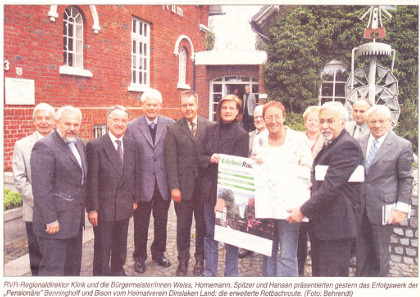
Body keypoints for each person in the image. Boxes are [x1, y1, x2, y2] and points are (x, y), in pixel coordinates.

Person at [287, 101, 364, 277]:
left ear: (343, 122)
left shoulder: (346, 145)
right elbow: (327, 180)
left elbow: (331, 188)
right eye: (322, 121)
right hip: (324, 225)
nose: (324, 126)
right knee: (320, 276)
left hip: (336, 227)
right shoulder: (332, 142)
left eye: (330, 121)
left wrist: (302, 211)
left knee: (331, 279)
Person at [253, 101, 312, 276]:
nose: (273, 121)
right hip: (266, 203)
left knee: (287, 252)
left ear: (284, 117)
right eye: (269, 117)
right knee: (267, 250)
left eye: (277, 116)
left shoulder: (299, 138)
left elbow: (308, 165)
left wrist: (306, 182)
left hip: (289, 204)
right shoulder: (260, 139)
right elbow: (256, 162)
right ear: (263, 119)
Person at [356, 105, 413, 277]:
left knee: (380, 257)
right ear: (367, 122)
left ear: (390, 121)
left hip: (384, 208)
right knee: (361, 256)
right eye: (373, 121)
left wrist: (401, 209)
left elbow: (405, 178)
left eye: (381, 121)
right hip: (359, 207)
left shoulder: (402, 145)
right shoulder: (359, 141)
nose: (377, 125)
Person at [31, 105, 87, 276]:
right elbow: (41, 189)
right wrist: (50, 220)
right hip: (54, 225)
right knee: (52, 272)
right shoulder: (44, 146)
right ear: (56, 123)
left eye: (76, 125)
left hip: (74, 222)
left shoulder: (78, 143)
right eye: (67, 124)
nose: (72, 128)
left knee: (72, 269)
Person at [197, 94, 249, 276]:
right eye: (224, 108)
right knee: (210, 234)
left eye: (231, 108)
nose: (227, 111)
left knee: (230, 237)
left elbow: (241, 165)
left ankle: (230, 275)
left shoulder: (241, 135)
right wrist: (209, 159)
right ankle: (209, 272)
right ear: (219, 111)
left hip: (228, 193)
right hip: (209, 192)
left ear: (238, 112)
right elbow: (199, 156)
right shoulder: (210, 130)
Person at [164, 90, 214, 276]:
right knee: (183, 227)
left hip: (203, 189)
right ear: (180, 106)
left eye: (191, 104)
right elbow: (170, 160)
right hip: (183, 189)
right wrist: (174, 187)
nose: (188, 108)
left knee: (202, 225)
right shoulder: (173, 129)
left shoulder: (209, 126)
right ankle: (183, 261)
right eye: (184, 105)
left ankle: (200, 260)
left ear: (197, 105)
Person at [86, 105, 140, 276]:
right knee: (103, 246)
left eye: (123, 120)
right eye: (116, 120)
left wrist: (134, 199)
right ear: (108, 122)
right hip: (104, 208)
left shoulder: (132, 145)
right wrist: (92, 208)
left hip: (124, 205)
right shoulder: (96, 145)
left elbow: (135, 175)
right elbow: (91, 180)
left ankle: (117, 270)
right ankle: (101, 277)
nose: (119, 124)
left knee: (120, 244)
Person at [125, 88, 175, 274]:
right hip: (142, 184)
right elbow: (129, 159)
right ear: (142, 105)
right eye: (148, 104)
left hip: (163, 184)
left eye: (155, 105)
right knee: (140, 224)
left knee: (161, 222)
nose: (152, 108)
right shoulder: (131, 126)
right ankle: (139, 257)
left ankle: (158, 253)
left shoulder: (170, 125)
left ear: (160, 106)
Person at [12, 103, 55, 276]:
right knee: (37, 256)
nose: (43, 122)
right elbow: (19, 178)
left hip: (59, 210)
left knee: (57, 255)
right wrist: (41, 202)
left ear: (54, 121)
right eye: (39, 118)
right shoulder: (22, 145)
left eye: (47, 118)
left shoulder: (65, 142)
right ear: (33, 121)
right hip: (34, 209)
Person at [297, 105, 324, 276]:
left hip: (319, 193)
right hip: (300, 191)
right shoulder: (298, 139)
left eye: (316, 120)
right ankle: (298, 270)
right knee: (300, 235)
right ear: (305, 122)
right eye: (309, 120)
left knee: (316, 235)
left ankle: (317, 273)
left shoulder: (327, 140)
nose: (312, 123)